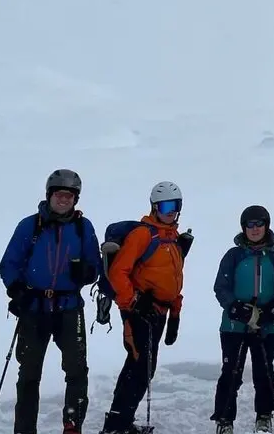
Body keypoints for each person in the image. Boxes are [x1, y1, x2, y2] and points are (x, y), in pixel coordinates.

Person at [0, 169, 103, 434]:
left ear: (76, 199)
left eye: (69, 195)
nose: (64, 199)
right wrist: (17, 290)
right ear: (49, 195)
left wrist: (88, 272)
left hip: (69, 308)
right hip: (34, 309)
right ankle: (24, 429)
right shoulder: (30, 226)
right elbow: (9, 263)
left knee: (77, 371)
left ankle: (72, 424)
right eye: (59, 194)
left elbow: (95, 265)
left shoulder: (83, 227)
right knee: (29, 374)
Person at [99, 181, 191, 434]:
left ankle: (119, 423)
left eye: (175, 205)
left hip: (158, 313)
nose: (170, 211)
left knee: (140, 367)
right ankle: (117, 426)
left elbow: (173, 281)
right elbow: (118, 273)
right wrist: (135, 303)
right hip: (140, 312)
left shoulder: (172, 239)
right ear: (154, 207)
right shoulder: (143, 235)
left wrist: (175, 314)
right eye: (165, 206)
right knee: (140, 368)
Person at [211, 205, 274, 434]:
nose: (255, 229)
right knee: (231, 372)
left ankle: (264, 416)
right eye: (250, 225)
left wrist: (273, 309)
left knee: (264, 371)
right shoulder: (234, 255)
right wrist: (236, 309)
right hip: (234, 325)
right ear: (244, 228)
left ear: (267, 226)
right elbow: (221, 287)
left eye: (259, 224)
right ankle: (224, 419)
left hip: (266, 325)